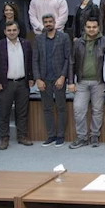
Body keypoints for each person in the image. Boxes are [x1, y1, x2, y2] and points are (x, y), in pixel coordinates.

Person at [68, 18, 105, 149]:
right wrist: (71, 81)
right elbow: (71, 62)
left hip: (99, 82)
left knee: (97, 110)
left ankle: (94, 135)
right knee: (78, 109)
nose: (91, 29)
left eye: (94, 27)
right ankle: (81, 137)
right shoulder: (77, 43)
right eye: (89, 27)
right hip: (81, 82)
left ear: (98, 28)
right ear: (85, 28)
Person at [0, 20, 34, 150]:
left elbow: (30, 62)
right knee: (4, 113)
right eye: (9, 30)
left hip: (22, 83)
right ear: (5, 32)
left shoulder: (26, 44)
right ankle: (4, 138)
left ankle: (22, 136)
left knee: (22, 113)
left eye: (14, 30)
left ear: (18, 31)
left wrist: (31, 78)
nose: (12, 32)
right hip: (5, 84)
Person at [32, 14, 71, 148]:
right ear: (43, 24)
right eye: (46, 22)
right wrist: (38, 79)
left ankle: (60, 136)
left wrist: (63, 76)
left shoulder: (64, 37)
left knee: (61, 108)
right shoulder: (38, 39)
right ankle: (51, 135)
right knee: (47, 108)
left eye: (50, 21)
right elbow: (35, 60)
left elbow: (68, 58)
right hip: (44, 79)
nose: (48, 23)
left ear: (55, 22)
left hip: (58, 78)